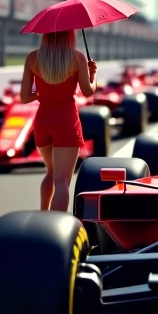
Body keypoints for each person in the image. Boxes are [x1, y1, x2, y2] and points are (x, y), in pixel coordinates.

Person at [20, 30, 97, 211]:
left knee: (51, 172)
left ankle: (43, 214)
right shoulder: (77, 58)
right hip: (66, 121)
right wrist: (93, 75)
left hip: (43, 121)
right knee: (62, 182)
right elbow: (88, 91)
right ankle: (54, 224)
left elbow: (24, 97)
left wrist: (43, 92)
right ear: (70, 35)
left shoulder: (33, 58)